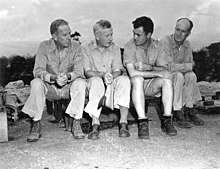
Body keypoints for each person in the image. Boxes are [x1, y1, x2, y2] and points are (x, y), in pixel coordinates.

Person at [22, 19, 86, 142]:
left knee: (80, 82)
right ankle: (36, 123)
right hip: (51, 88)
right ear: (54, 36)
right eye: (65, 35)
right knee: (36, 82)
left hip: (69, 87)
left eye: (69, 33)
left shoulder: (76, 47)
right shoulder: (44, 46)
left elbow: (79, 71)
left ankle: (77, 122)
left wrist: (67, 76)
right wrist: (53, 77)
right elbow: (38, 70)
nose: (69, 37)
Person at [123, 16, 177, 139]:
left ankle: (167, 120)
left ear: (148, 35)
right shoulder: (129, 46)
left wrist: (148, 67)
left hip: (150, 85)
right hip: (133, 87)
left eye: (139, 35)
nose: (135, 37)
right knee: (137, 79)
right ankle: (142, 122)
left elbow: (166, 70)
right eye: (134, 34)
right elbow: (132, 73)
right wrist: (157, 72)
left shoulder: (158, 46)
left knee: (167, 79)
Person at [82, 20, 131, 140]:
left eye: (111, 34)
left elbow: (118, 69)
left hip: (111, 80)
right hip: (95, 81)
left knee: (124, 80)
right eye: (107, 35)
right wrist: (102, 75)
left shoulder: (115, 48)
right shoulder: (85, 48)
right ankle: (95, 123)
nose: (111, 38)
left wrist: (111, 76)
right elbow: (88, 72)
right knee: (96, 81)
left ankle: (123, 123)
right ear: (97, 36)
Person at [160, 18, 204, 127]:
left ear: (188, 33)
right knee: (178, 75)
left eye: (183, 31)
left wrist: (184, 67)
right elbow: (168, 66)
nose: (179, 34)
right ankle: (177, 111)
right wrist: (187, 66)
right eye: (177, 29)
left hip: (177, 74)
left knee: (191, 76)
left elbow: (189, 68)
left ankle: (189, 109)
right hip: (163, 75)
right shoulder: (165, 41)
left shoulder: (187, 44)